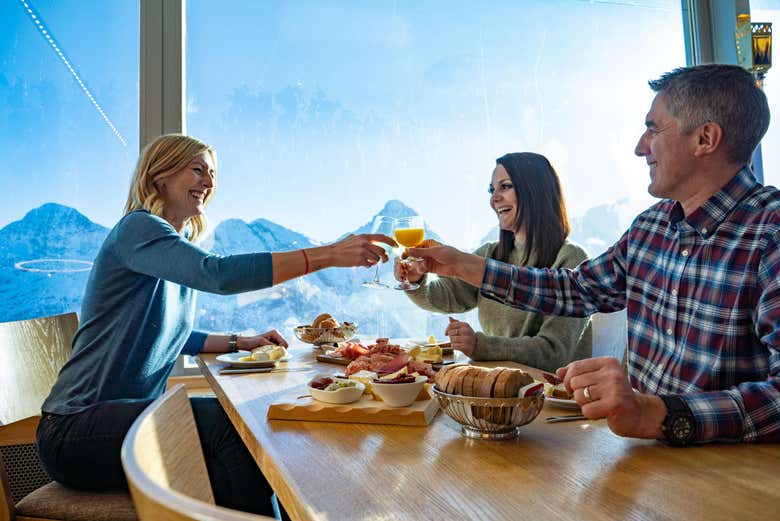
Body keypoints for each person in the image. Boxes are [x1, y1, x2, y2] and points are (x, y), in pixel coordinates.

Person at [407, 64, 779, 445]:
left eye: (653, 128)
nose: (640, 146)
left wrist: (660, 415)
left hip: (736, 476)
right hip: (644, 458)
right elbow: (577, 290)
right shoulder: (650, 228)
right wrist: (467, 266)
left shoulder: (771, 234)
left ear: (704, 139)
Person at [36, 134, 396, 516]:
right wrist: (330, 254)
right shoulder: (137, 229)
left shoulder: (166, 246)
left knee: (232, 447)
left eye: (212, 174)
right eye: (197, 170)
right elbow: (219, 276)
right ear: (160, 176)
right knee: (230, 429)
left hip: (120, 422)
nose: (209, 183)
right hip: (74, 432)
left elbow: (171, 334)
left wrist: (241, 341)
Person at [395, 152, 591, 372]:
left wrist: (481, 345)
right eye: (491, 190)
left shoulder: (570, 259)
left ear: (535, 191)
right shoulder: (491, 254)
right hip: (497, 387)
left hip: (548, 395)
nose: (494, 198)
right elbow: (449, 296)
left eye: (505, 187)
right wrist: (418, 280)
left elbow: (554, 353)